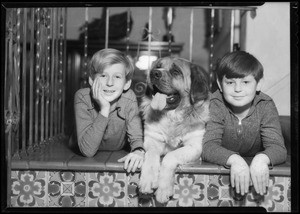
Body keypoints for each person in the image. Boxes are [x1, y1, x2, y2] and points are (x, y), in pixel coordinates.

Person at [202, 51, 287, 196]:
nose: (237, 89)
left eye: (246, 82)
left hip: (255, 162)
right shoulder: (215, 103)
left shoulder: (265, 105)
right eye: (230, 82)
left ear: (259, 84)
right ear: (220, 85)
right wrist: (235, 160)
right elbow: (208, 146)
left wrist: (262, 159)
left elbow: (278, 148)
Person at [73, 48, 145, 173]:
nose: (110, 83)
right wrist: (104, 109)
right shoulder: (82, 97)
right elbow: (87, 151)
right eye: (103, 75)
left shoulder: (129, 98)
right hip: (83, 149)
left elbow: (136, 138)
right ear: (91, 80)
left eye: (117, 77)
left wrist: (138, 152)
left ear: (126, 84)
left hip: (116, 150)